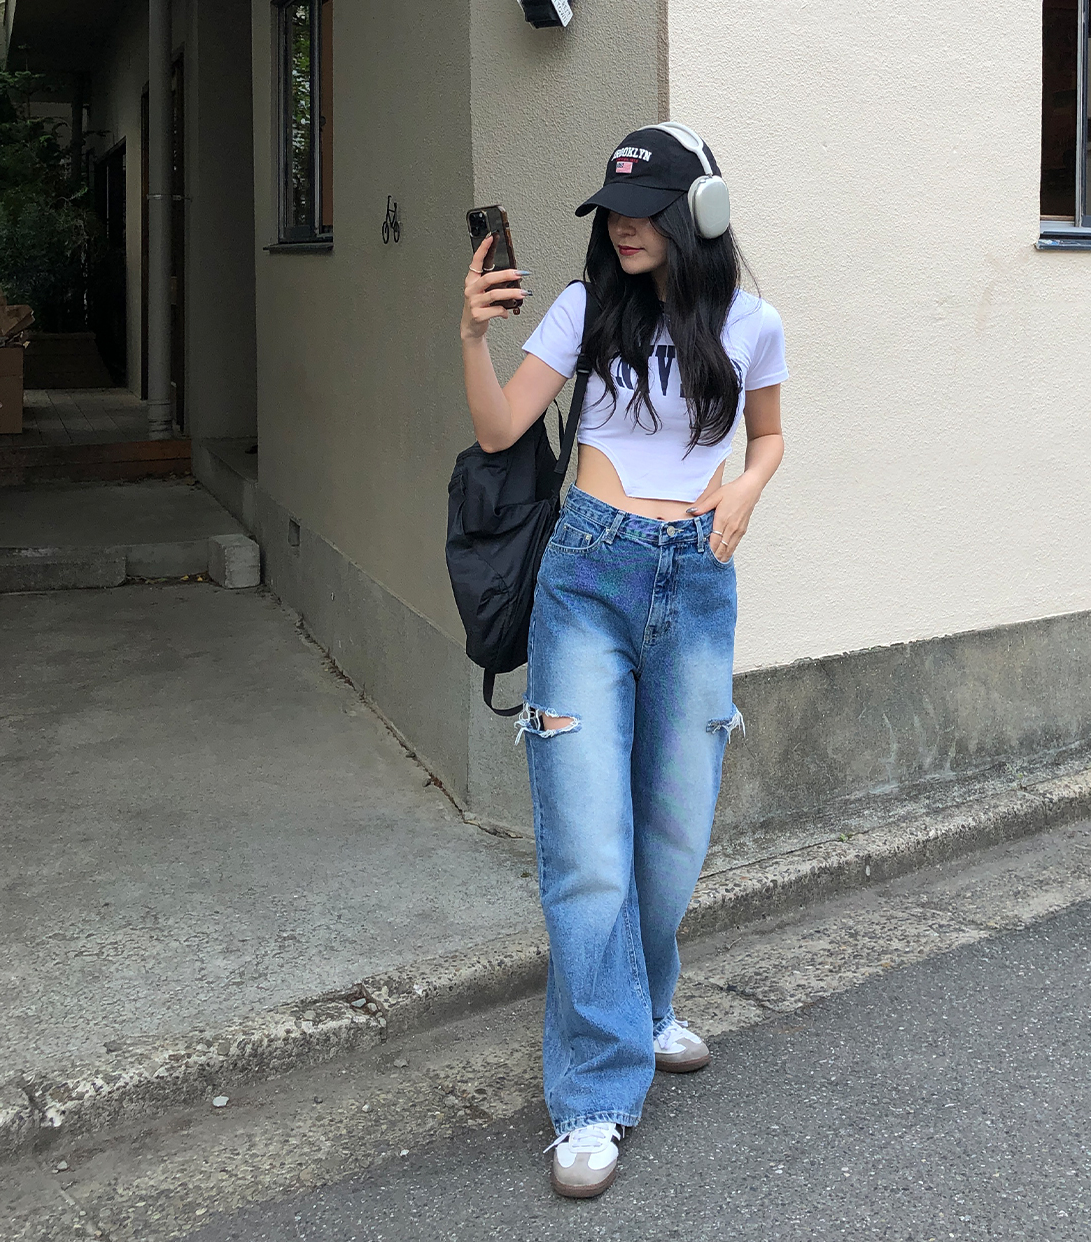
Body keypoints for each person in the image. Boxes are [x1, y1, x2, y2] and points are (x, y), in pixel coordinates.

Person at [459, 124, 787, 1198]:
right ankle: (595, 1091)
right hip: (587, 579)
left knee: (673, 840)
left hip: (696, 584)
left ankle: (642, 1008)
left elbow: (770, 437)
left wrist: (745, 489)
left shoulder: (753, 325)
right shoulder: (583, 308)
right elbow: (502, 429)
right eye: (613, 209)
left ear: (703, 213)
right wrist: (472, 337)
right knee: (589, 850)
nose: (623, 226)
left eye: (646, 210)